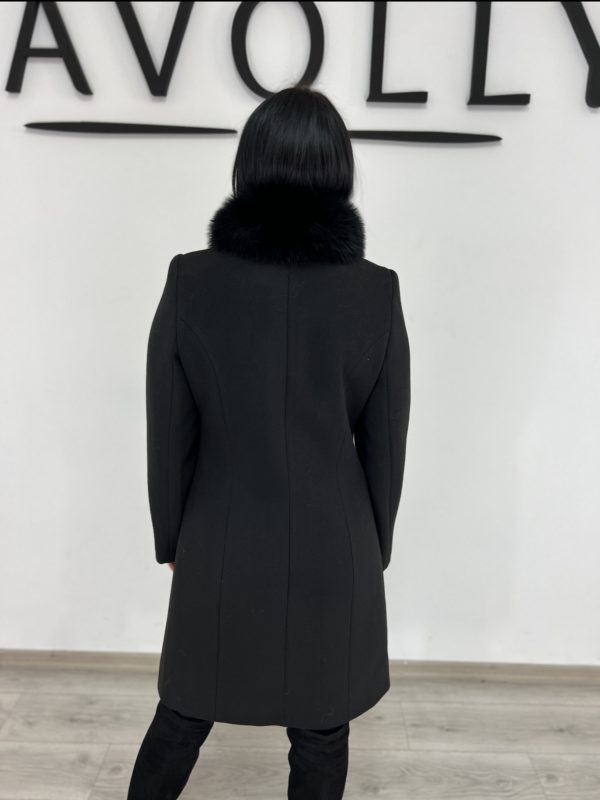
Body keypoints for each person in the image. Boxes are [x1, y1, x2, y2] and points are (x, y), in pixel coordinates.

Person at [128, 83, 411, 799]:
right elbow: (386, 442)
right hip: (335, 546)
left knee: (184, 711)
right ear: (339, 169)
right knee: (322, 731)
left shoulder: (192, 280)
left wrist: (172, 536)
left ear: (248, 163)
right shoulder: (376, 292)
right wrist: (372, 546)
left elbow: (168, 429)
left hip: (219, 537)